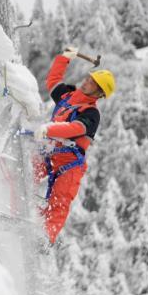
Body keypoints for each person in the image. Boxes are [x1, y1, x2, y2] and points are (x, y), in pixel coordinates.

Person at [33, 46, 115, 244]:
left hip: (69, 165)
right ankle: (21, 206)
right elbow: (52, 81)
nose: (86, 82)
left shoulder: (91, 113)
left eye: (92, 83)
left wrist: (49, 129)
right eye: (88, 79)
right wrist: (63, 58)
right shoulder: (67, 96)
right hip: (51, 154)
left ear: (99, 93)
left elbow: (75, 129)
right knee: (27, 172)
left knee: (59, 202)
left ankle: (45, 238)